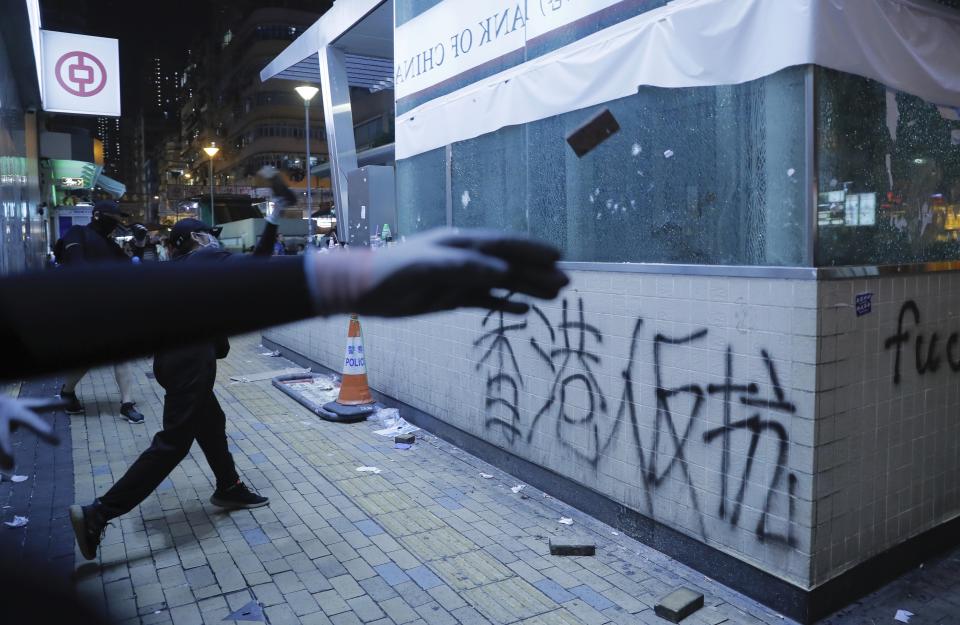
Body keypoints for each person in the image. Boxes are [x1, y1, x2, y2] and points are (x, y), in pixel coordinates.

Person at [56, 200, 145, 425]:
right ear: (97, 215)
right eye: (113, 218)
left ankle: (127, 403)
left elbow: (131, 269)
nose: (116, 223)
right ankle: (67, 392)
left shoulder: (111, 245)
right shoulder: (77, 233)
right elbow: (76, 264)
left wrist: (140, 245)